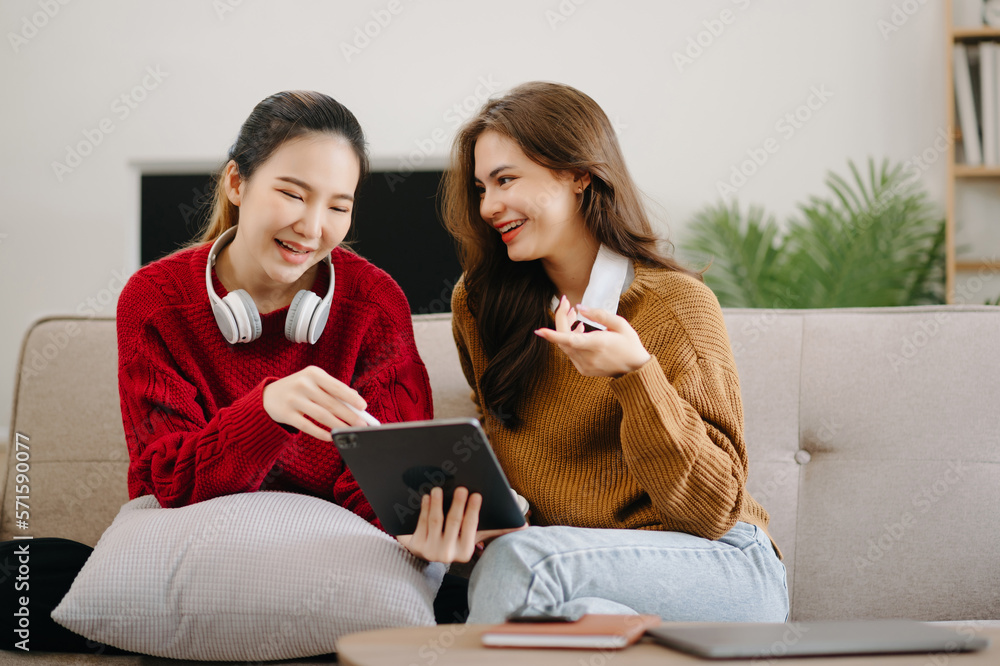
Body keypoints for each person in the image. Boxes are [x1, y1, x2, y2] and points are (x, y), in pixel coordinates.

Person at [435, 81, 789, 623]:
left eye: (506, 180)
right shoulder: (481, 306)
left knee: (523, 568)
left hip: (722, 564)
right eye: (481, 188)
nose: (488, 206)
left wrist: (635, 376)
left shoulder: (675, 307)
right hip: (576, 568)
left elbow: (714, 510)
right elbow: (522, 456)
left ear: (578, 174)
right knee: (572, 619)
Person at [117, 90, 431, 538]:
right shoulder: (154, 301)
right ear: (237, 183)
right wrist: (265, 412)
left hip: (335, 557)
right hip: (199, 549)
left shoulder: (374, 304)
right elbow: (167, 481)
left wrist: (426, 523)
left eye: (339, 207)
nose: (312, 228)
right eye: (292, 194)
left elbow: (390, 484)